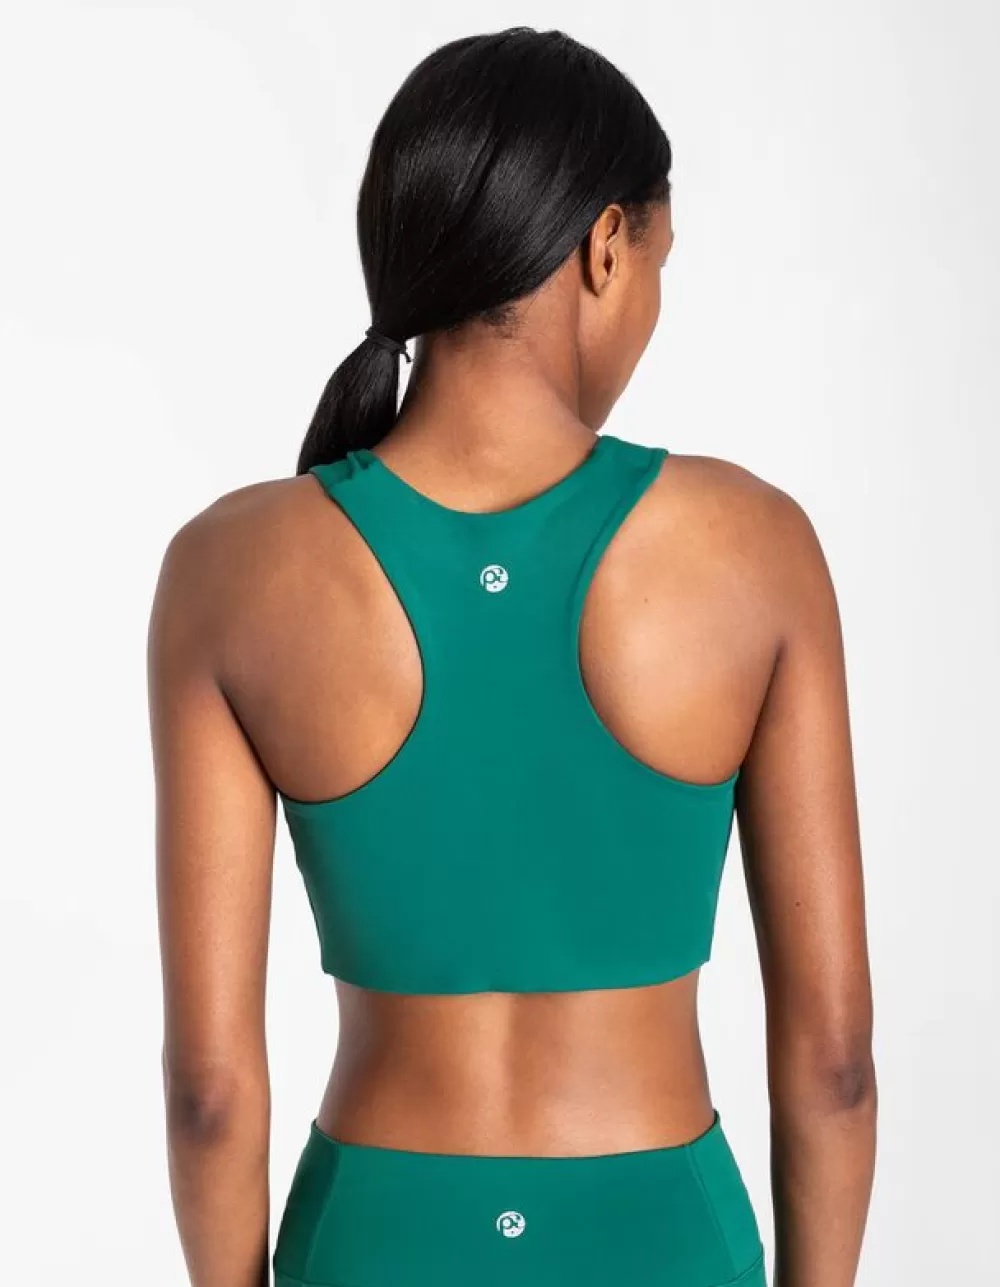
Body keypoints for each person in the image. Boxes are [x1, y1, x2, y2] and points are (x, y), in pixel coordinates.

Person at [148, 26, 876, 1287]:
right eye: (656, 264)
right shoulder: (752, 548)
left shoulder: (231, 568)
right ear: (606, 247)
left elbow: (209, 1093)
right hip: (661, 1236)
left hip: (375, 1239)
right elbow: (834, 1064)